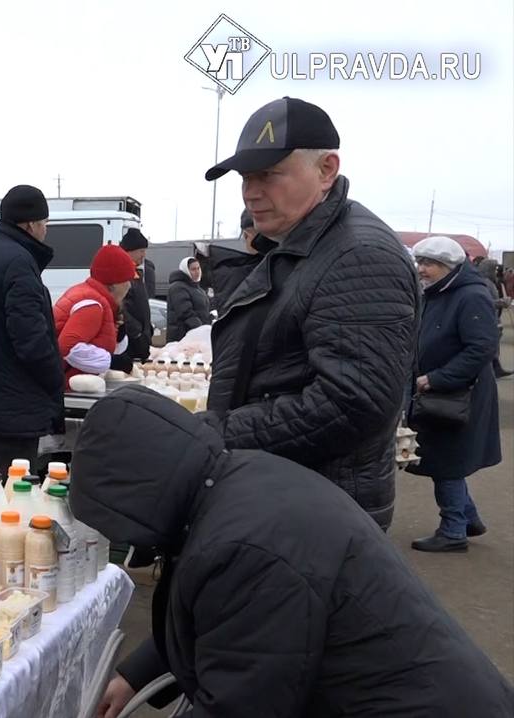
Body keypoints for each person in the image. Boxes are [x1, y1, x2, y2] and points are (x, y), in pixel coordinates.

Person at [75, 386, 514, 718]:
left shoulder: (243, 547)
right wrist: (135, 673)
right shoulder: (234, 482)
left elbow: (243, 702)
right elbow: (226, 628)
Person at [200, 97, 418, 530]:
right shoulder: (300, 244)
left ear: (326, 170)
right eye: (245, 176)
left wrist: (220, 432)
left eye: (268, 174)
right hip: (289, 495)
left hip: (316, 515)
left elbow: (352, 402)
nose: (250, 191)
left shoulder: (358, 255)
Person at [406, 236, 501, 552]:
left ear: (449, 267)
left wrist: (436, 378)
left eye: (429, 264)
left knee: (445, 461)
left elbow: (481, 349)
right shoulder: (438, 293)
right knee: (445, 459)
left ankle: (453, 531)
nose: (421, 269)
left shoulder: (470, 297)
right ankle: (466, 519)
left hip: (457, 395)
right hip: (441, 392)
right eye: (420, 262)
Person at [0, 185, 64, 474]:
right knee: (14, 495)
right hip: (16, 405)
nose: (46, 230)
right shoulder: (19, 263)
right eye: (45, 224)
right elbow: (31, 341)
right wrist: (55, 377)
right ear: (30, 224)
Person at [52, 244, 137, 383]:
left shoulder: (91, 296)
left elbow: (97, 341)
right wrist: (112, 361)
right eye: (127, 280)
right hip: (69, 385)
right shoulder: (92, 305)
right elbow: (68, 346)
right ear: (114, 283)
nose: (129, 285)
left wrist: (118, 336)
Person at [117, 228, 154, 366]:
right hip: (130, 341)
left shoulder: (136, 272)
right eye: (141, 251)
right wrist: (137, 333)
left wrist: (147, 329)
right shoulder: (121, 273)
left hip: (140, 338)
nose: (144, 255)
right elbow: (122, 307)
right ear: (130, 251)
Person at [164, 257, 212, 343]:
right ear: (185, 270)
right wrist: (200, 329)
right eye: (193, 269)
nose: (197, 272)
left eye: (198, 268)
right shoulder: (178, 287)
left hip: (196, 336)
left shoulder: (198, 288)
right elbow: (185, 312)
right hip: (182, 337)